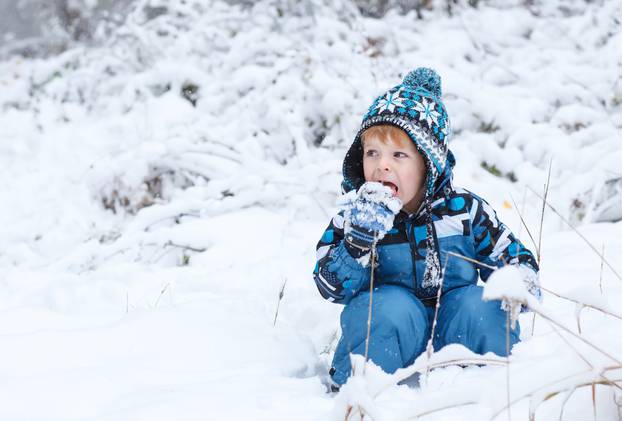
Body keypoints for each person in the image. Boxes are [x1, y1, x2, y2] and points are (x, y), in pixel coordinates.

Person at [312, 67, 541, 388]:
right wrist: (356, 245)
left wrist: (520, 280)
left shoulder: (464, 211)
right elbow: (328, 285)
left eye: (399, 155)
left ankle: (499, 386)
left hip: (456, 328)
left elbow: (511, 257)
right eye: (372, 153)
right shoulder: (354, 217)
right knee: (384, 308)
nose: (382, 165)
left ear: (428, 164)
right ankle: (362, 392)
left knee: (482, 305)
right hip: (391, 335)